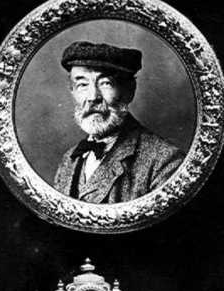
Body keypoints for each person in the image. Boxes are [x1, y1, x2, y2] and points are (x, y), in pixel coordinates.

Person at [53, 41, 185, 204]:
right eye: (82, 85)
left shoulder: (165, 161)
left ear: (129, 90)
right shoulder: (69, 160)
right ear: (73, 92)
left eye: (105, 83)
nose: (93, 97)